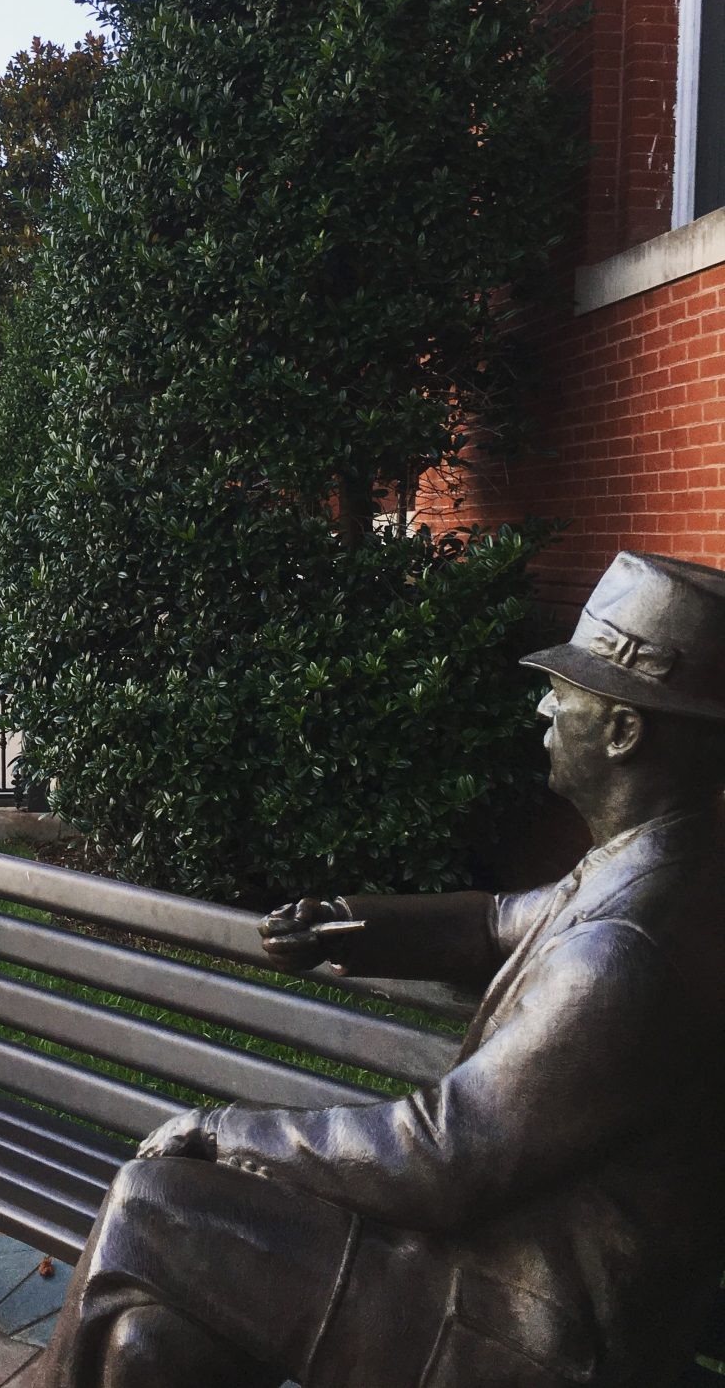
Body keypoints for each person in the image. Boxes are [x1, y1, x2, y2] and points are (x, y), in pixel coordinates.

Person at [37, 551, 725, 1388]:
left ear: (622, 731)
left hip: (531, 1333)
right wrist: (349, 926)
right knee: (149, 1345)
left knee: (149, 1205)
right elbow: (493, 921)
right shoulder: (657, 864)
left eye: (568, 688)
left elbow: (438, 1155)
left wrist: (224, 1131)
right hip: (508, 1271)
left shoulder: (625, 950)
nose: (546, 704)